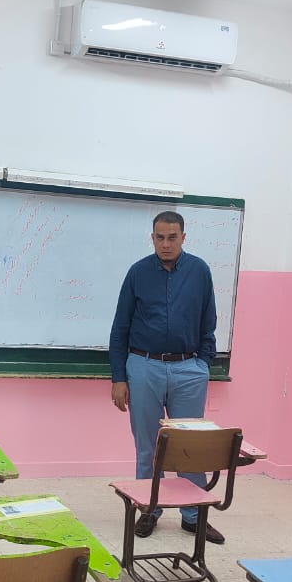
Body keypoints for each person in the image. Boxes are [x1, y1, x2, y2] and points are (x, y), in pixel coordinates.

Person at [108, 210, 223, 544]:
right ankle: (149, 509)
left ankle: (193, 516)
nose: (166, 244)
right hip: (144, 366)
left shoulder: (200, 271)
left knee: (190, 446)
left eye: (172, 237)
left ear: (183, 237)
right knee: (148, 446)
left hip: (189, 369)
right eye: (160, 237)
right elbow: (120, 327)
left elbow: (209, 321)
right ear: (152, 238)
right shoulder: (138, 272)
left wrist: (203, 364)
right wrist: (119, 377)